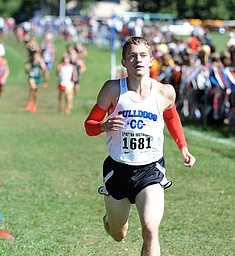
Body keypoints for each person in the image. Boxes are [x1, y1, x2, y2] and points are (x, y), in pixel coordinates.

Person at [84, 37, 196, 256]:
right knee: (119, 234)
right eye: (132, 56)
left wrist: (182, 146)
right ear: (124, 62)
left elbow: (172, 118)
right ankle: (111, 220)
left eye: (143, 55)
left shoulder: (165, 92)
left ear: (151, 60)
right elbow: (89, 126)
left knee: (151, 229)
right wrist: (103, 125)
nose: (138, 60)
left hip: (150, 170)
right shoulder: (112, 90)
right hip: (118, 170)